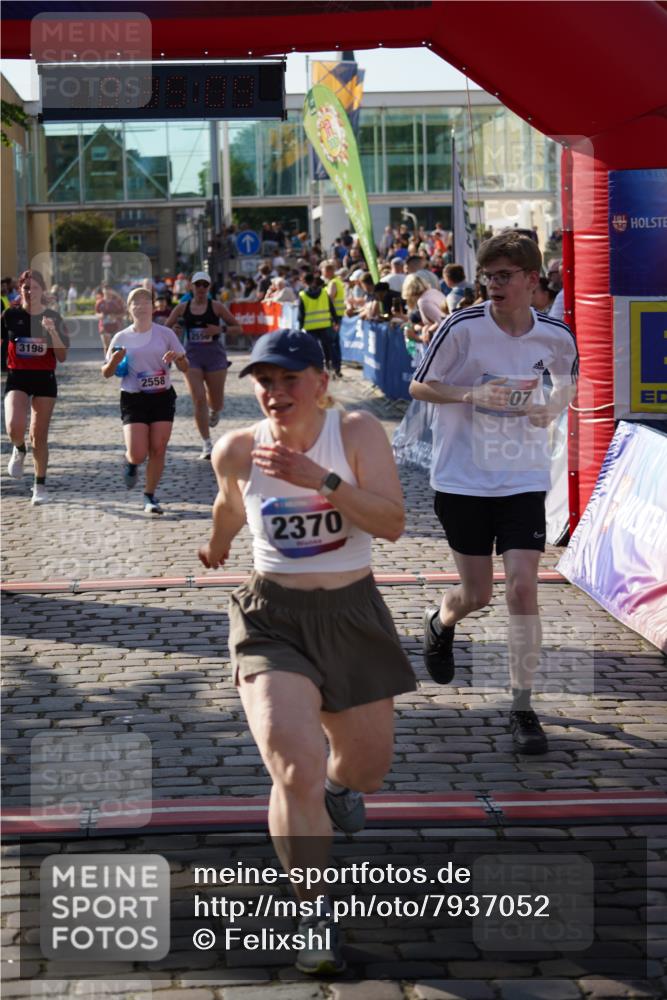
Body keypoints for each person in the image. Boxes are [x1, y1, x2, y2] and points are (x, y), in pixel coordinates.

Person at [198, 328, 415, 975]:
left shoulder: (355, 434)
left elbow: (393, 522)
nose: (275, 392)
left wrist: (320, 481)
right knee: (293, 769)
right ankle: (313, 912)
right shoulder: (236, 448)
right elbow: (229, 507)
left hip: (352, 613)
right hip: (272, 620)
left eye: (289, 379)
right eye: (264, 381)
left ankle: (341, 789)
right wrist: (216, 546)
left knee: (365, 769)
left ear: (321, 382)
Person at [409, 231, 578, 755]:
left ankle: (523, 707)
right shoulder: (462, 326)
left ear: (533, 280)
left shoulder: (554, 334)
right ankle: (441, 621)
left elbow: (568, 381)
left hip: (523, 477)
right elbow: (419, 385)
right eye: (489, 276)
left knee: (522, 588)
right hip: (462, 478)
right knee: (477, 595)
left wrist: (551, 408)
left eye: (505, 276)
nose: (494, 285)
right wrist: (469, 392)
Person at [102, 286, 188, 515]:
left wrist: (177, 358)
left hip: (162, 396)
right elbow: (107, 372)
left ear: (153, 307)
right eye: (135, 303)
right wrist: (115, 361)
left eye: (145, 302)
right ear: (129, 309)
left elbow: (185, 365)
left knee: (158, 448)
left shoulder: (165, 334)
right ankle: (131, 463)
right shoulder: (122, 337)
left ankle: (150, 496)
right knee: (138, 453)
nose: (141, 306)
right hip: (133, 397)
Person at [3, 269, 69, 505]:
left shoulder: (53, 317)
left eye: (35, 288)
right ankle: (19, 449)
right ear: (20, 289)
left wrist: (51, 331)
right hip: (17, 377)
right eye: (26, 287)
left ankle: (39, 485)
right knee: (13, 426)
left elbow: (62, 356)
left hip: (44, 378)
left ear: (43, 290)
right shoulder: (10, 315)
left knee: (38, 435)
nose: (31, 292)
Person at [165, 271, 241, 460]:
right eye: (197, 285)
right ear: (191, 286)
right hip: (192, 357)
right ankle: (207, 444)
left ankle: (215, 410)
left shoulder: (216, 307)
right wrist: (174, 330)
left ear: (209, 288)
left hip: (215, 356)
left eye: (204, 285)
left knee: (216, 401)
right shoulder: (182, 308)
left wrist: (220, 329)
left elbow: (238, 328)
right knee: (198, 399)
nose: (200, 289)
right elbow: (165, 329)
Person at [298, 273, 340, 376]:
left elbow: (301, 313)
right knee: (329, 347)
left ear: (304, 282)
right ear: (313, 280)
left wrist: (300, 327)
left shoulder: (303, 295)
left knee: (313, 348)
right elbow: (331, 308)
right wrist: (336, 320)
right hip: (325, 324)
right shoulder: (324, 293)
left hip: (310, 327)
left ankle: (316, 368)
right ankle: (335, 367)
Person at [96, 284, 126, 352]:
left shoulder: (117, 301)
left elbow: (124, 313)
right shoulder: (99, 302)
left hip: (116, 326)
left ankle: (116, 361)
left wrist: (115, 316)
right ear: (102, 291)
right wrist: (100, 315)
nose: (106, 291)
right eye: (105, 289)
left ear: (112, 290)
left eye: (108, 289)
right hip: (104, 326)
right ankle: (107, 361)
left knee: (117, 346)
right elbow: (96, 313)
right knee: (106, 346)